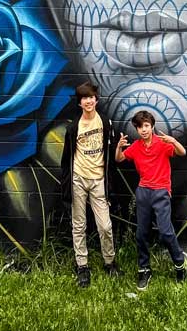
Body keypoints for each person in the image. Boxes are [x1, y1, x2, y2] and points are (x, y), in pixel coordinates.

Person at [115, 110, 187, 290]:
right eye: (139, 127)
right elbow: (119, 159)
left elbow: (183, 152)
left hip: (161, 191)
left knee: (165, 232)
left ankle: (180, 263)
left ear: (152, 126)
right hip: (143, 192)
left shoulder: (162, 143)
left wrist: (174, 141)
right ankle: (144, 269)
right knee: (141, 234)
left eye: (146, 126)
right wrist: (119, 147)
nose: (143, 130)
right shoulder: (136, 146)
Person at [60, 82, 119, 287]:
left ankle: (110, 262)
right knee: (79, 225)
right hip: (78, 178)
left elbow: (111, 155)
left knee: (105, 226)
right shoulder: (73, 127)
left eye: (91, 97)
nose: (88, 101)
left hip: (98, 180)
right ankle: (82, 266)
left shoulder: (105, 123)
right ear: (79, 103)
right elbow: (67, 157)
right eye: (84, 98)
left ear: (96, 99)